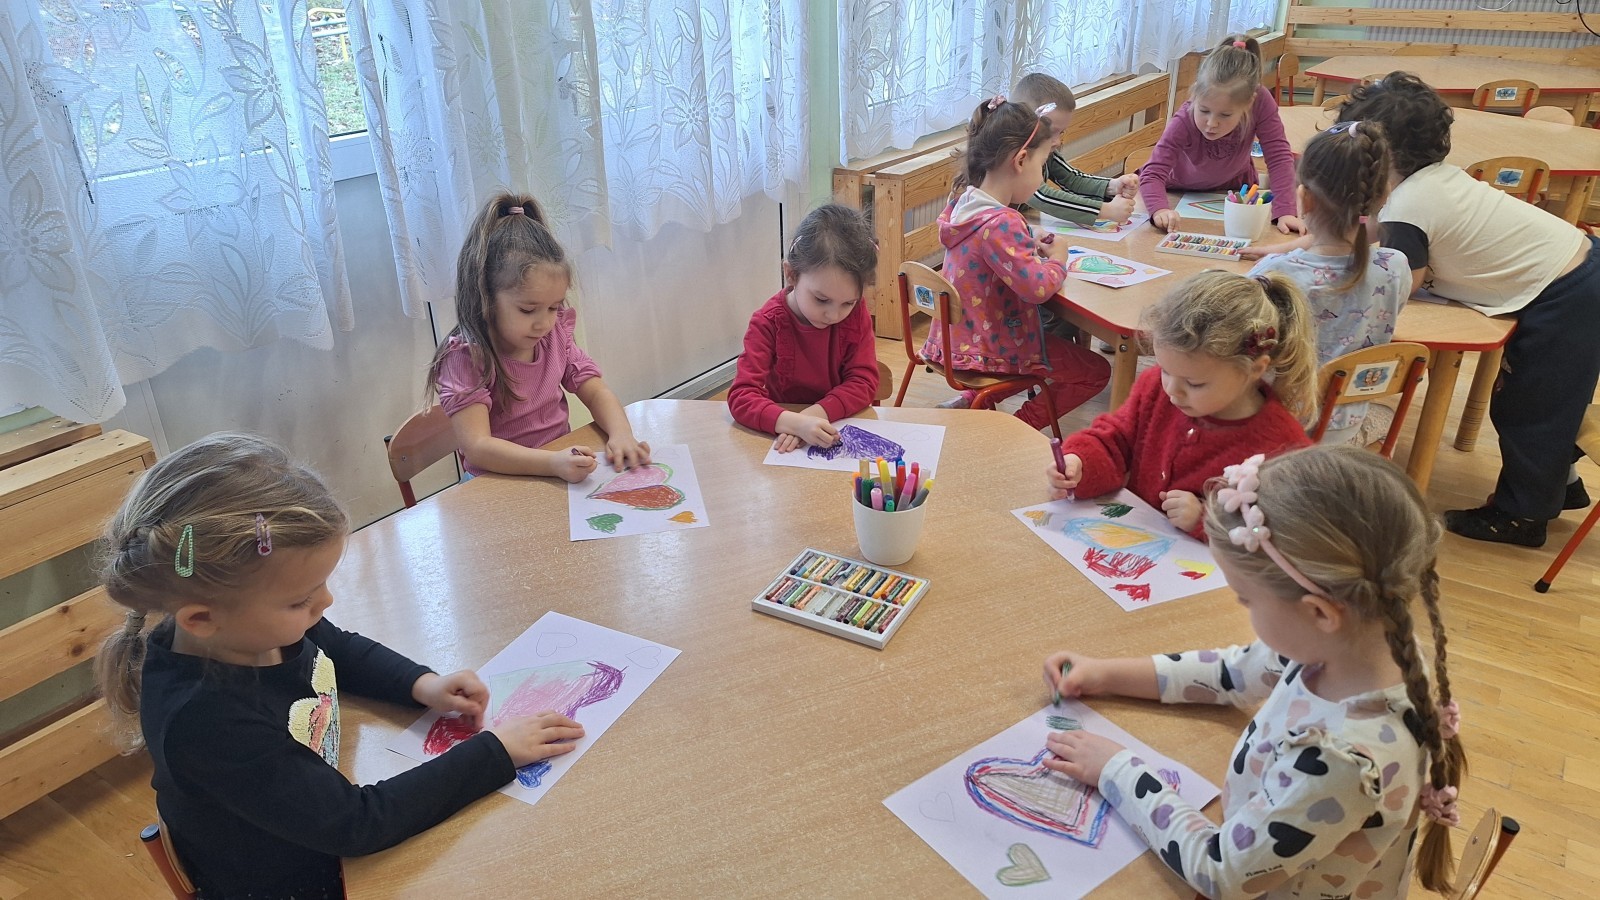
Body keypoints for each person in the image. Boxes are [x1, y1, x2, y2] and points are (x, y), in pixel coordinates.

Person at [96, 433, 584, 899]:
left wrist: (421, 684)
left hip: (310, 814)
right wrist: (496, 752)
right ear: (201, 619)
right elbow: (356, 824)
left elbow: (337, 648)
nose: (325, 603)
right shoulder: (208, 723)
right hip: (290, 880)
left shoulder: (248, 627)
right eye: (302, 600)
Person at [1042, 445, 1466, 898]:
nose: (1242, 609)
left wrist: (1117, 771)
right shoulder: (1358, 649)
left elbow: (1221, 873)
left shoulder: (1341, 762)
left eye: (1246, 599)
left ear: (1319, 613)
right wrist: (1104, 674)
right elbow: (1228, 673)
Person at [1338, 72, 1600, 546]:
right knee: (1545, 402)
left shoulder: (1409, 203)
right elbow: (1384, 230)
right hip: (1577, 274)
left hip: (1570, 293)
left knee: (1533, 410)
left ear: (1382, 155)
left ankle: (1522, 517)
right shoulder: (1432, 181)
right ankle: (1561, 487)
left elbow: (1402, 280)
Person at [1045, 271, 1315, 537]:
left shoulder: (1284, 447)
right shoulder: (1155, 386)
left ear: (1255, 369)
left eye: (1194, 384)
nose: (1172, 391)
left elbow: (1284, 533)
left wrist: (1207, 519)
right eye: (1164, 370)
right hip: (1133, 540)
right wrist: (1080, 464)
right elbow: (1116, 440)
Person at [426, 192, 649, 483]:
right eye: (528, 310)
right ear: (486, 298)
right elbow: (478, 448)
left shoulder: (554, 335)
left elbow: (596, 391)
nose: (544, 323)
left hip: (554, 468)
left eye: (554, 307)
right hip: (494, 484)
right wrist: (552, 463)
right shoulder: (466, 358)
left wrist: (621, 433)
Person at [925, 97, 1111, 430]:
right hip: (991, 347)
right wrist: (1059, 258)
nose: (1041, 179)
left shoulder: (963, 203)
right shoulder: (1002, 223)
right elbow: (1037, 289)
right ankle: (1017, 428)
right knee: (1096, 372)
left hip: (958, 342)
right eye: (1042, 166)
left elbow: (989, 245)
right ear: (1021, 160)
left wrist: (1028, 236)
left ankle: (971, 401)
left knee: (1039, 361)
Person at [1247, 120, 1408, 446]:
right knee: (1386, 415)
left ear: (1303, 199)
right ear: (1384, 195)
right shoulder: (1395, 267)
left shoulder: (1274, 274)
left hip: (1275, 430)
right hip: (1342, 426)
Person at [727, 203, 880, 452]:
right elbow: (742, 397)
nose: (834, 315)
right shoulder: (767, 323)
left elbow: (863, 382)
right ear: (791, 274)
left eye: (848, 303)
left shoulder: (856, 313)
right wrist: (797, 424)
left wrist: (812, 417)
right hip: (785, 439)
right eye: (821, 299)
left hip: (836, 428)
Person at [1141, 35, 1303, 235]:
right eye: (1204, 110)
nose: (1211, 123)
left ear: (1249, 103)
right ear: (1195, 95)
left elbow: (1278, 156)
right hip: (1179, 190)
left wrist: (1285, 211)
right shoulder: (1184, 118)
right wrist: (1159, 209)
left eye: (1225, 115)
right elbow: (1153, 172)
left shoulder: (1260, 101)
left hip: (1235, 192)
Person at [1012, 72, 1139, 227]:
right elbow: (1042, 197)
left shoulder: (1044, 149)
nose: (1057, 141)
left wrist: (1112, 186)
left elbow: (1073, 179)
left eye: (1061, 133)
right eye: (1051, 132)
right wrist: (1106, 210)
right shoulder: (1016, 155)